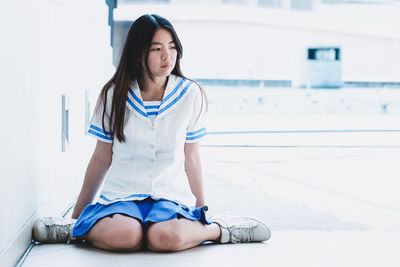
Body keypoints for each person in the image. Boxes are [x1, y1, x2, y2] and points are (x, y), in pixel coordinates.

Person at [32, 14, 270, 252]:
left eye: (172, 47)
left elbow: (192, 157)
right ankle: (73, 229)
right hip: (122, 196)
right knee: (124, 236)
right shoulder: (113, 94)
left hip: (170, 196)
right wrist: (76, 217)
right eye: (157, 49)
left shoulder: (190, 94)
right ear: (138, 54)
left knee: (167, 238)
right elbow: (101, 158)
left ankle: (221, 229)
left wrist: (202, 209)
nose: (167, 56)